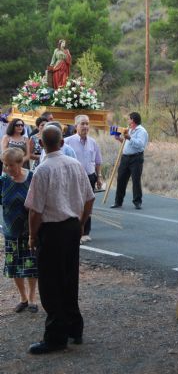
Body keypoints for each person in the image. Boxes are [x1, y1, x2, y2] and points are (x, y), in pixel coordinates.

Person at [25, 125, 95, 354]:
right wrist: (82, 222)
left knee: (50, 283)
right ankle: (75, 328)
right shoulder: (75, 165)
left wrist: (33, 236)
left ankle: (56, 336)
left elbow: (35, 210)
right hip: (72, 227)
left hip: (52, 230)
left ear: (42, 144)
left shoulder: (43, 170)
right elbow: (89, 198)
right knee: (69, 277)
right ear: (63, 143)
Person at [0, 148, 38, 313]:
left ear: (20, 162)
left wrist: (34, 231)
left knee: (31, 265)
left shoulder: (32, 178)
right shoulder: (3, 180)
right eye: (5, 165)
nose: (8, 169)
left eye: (11, 165)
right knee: (14, 265)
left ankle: (32, 298)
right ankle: (22, 298)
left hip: (29, 230)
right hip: (10, 231)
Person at [64, 115, 103, 242]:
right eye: (82, 124)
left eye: (87, 124)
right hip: (74, 178)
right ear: (76, 126)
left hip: (90, 176)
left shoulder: (93, 142)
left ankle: (86, 231)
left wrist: (99, 177)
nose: (85, 126)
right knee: (75, 205)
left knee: (88, 204)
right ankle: (75, 232)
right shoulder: (67, 141)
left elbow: (97, 161)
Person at [111, 112, 149, 210]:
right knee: (121, 179)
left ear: (133, 120)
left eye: (129, 119)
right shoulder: (128, 130)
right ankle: (118, 202)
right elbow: (126, 143)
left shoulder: (141, 131)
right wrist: (119, 139)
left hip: (136, 158)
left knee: (136, 180)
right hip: (125, 157)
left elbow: (140, 145)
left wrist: (129, 137)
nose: (127, 121)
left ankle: (137, 202)